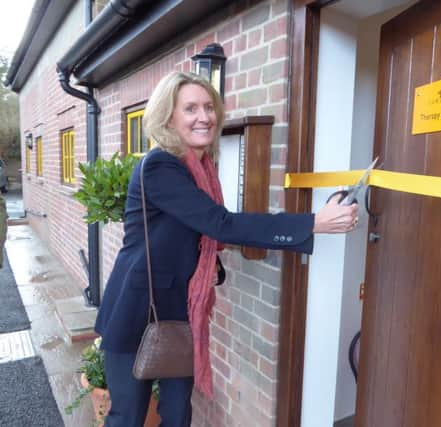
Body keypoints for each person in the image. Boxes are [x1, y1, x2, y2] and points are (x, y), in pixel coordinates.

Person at [95, 71, 358, 426]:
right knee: (127, 416)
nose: (203, 117)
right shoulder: (160, 166)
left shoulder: (201, 167)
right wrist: (313, 222)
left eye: (208, 107)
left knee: (177, 414)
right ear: (167, 117)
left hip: (179, 310)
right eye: (190, 108)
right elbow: (220, 223)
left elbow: (204, 231)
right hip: (136, 309)